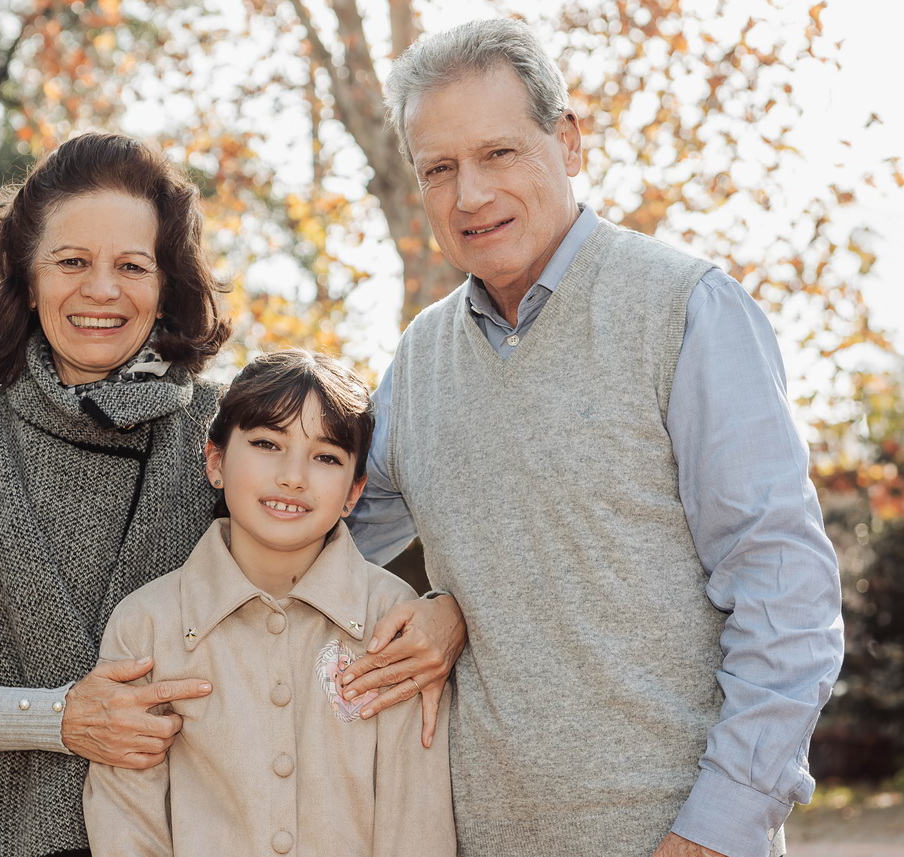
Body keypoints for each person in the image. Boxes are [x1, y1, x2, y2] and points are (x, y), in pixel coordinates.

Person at [340, 17, 844, 857]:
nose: (470, 195)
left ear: (569, 141)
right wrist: (436, 609)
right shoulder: (418, 363)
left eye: (499, 152)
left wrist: (717, 831)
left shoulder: (686, 310)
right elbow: (307, 549)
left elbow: (785, 594)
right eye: (439, 168)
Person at [0, 132, 233, 857]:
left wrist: (440, 614)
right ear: (29, 281)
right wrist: (59, 716)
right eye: (72, 262)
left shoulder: (225, 436)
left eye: (132, 265)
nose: (102, 290)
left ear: (166, 287)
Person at [82, 349, 456, 856]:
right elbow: (127, 825)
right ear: (215, 461)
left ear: (354, 492)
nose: (293, 476)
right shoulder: (145, 623)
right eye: (266, 443)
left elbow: (416, 820)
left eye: (326, 457)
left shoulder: (394, 618)